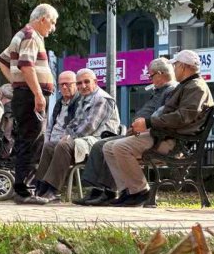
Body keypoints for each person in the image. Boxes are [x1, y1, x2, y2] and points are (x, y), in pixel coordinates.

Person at [103, 50, 213, 207]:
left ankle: (141, 192)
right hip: (163, 135)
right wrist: (145, 125)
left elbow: (182, 118)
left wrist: (148, 123)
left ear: (183, 66)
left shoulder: (196, 87)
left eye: (175, 65)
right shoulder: (188, 86)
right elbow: (172, 114)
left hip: (172, 141)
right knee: (108, 147)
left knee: (120, 147)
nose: (173, 69)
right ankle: (129, 191)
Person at [75, 57, 177, 206]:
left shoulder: (171, 90)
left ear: (160, 74)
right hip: (142, 132)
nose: (150, 79)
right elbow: (148, 112)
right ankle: (107, 189)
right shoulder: (160, 91)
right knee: (101, 145)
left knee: (108, 146)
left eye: (151, 75)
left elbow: (159, 115)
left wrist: (142, 124)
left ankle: (111, 190)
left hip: (154, 136)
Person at [0, 4, 57, 205]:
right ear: (43, 19)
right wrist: (37, 93)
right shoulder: (31, 36)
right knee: (32, 141)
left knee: (27, 139)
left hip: (25, 93)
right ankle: (25, 190)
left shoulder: (22, 35)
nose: (53, 27)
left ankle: (24, 188)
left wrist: (16, 81)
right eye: (52, 22)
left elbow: (3, 60)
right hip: (31, 95)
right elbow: (26, 65)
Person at [34, 68, 119, 202]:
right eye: (79, 83)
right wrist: (67, 133)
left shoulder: (102, 99)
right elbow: (75, 122)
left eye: (86, 82)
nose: (82, 86)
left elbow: (90, 126)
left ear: (95, 82)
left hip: (99, 140)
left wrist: (70, 137)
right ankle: (40, 186)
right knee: (50, 145)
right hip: (85, 139)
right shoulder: (83, 99)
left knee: (64, 145)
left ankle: (52, 190)